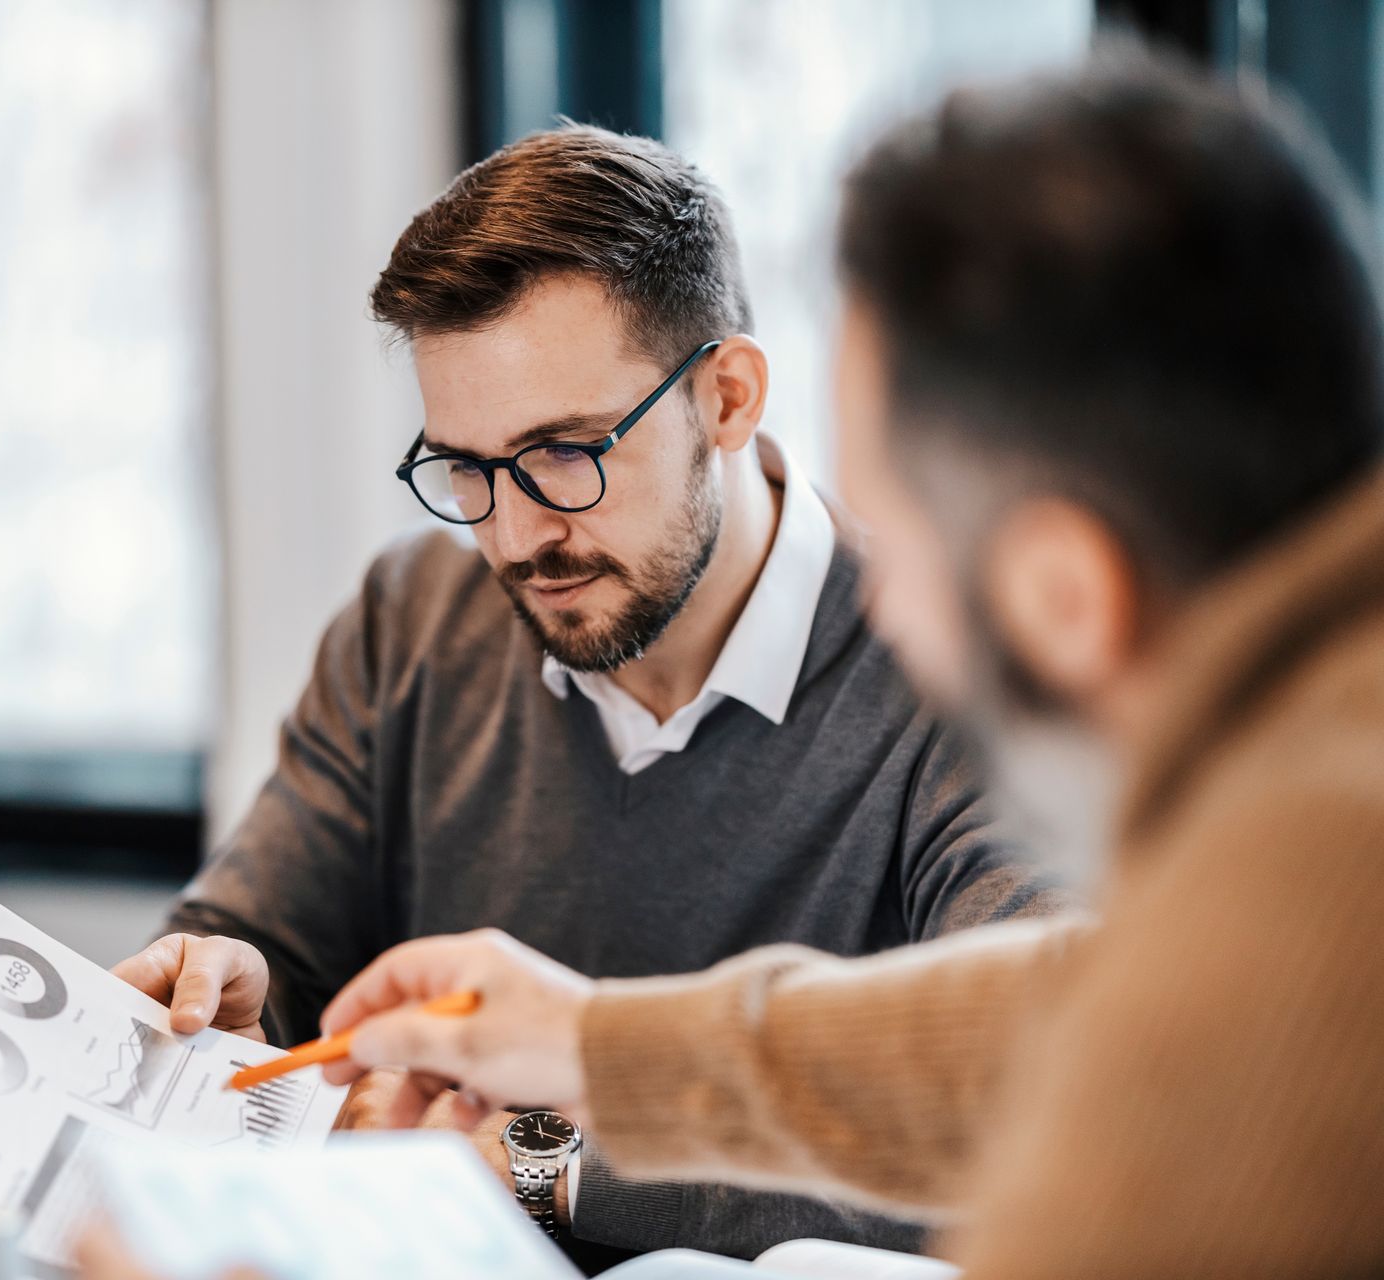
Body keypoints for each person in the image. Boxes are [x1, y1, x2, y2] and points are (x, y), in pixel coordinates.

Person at [310, 50, 1384, 1280]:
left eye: (895, 540)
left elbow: (1096, 1099)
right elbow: (1056, 1018)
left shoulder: (1311, 887)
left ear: (1065, 595)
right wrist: (597, 1045)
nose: (883, 612)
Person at [108, 126, 1066, 1260]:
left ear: (728, 396)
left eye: (566, 452)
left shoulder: (956, 669)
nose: (515, 536)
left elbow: (1036, 1113)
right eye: (464, 467)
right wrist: (226, 993)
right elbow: (257, 951)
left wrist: (548, 1163)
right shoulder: (412, 619)